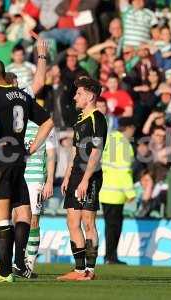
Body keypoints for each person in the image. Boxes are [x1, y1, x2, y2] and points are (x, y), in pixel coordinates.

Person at [0, 59, 53, 283]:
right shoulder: (23, 96)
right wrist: (32, 147)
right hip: (20, 159)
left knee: (1, 218)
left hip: (1, 159)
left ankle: (3, 273)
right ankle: (19, 264)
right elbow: (48, 122)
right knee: (23, 212)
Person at [58, 76, 107, 281]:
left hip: (91, 175)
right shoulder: (80, 120)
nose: (75, 96)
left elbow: (96, 152)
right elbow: (75, 150)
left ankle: (90, 270)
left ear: (90, 96)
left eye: (79, 93)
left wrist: (86, 179)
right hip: (76, 175)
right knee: (72, 222)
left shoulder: (98, 118)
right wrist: (68, 175)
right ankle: (79, 270)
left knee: (88, 222)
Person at [99, 117, 136, 265]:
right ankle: (111, 257)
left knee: (109, 226)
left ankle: (109, 256)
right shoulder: (124, 145)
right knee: (115, 227)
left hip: (105, 190)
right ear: (129, 128)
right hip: (117, 192)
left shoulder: (109, 139)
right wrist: (130, 193)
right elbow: (124, 171)